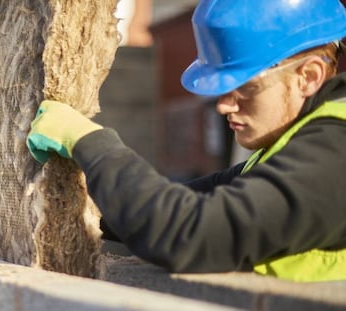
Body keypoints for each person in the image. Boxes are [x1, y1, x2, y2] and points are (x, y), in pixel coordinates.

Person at [26, 0, 346, 282]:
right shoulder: (295, 145)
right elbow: (176, 203)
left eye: (245, 86)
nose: (223, 105)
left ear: (309, 77)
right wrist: (44, 200)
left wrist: (90, 142)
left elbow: (187, 231)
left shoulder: (336, 155)